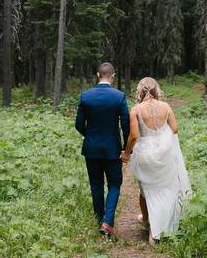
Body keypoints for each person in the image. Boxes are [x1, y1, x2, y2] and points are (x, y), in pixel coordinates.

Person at [121, 77, 192, 244]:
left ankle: (149, 223)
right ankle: (159, 226)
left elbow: (134, 136)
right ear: (156, 90)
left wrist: (126, 153)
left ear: (139, 90)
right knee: (166, 188)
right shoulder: (166, 106)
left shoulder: (136, 109)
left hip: (145, 154)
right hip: (164, 152)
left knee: (146, 189)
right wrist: (161, 136)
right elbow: (174, 129)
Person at [75, 62, 130, 237]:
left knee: (96, 184)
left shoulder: (86, 96)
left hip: (91, 149)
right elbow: (126, 124)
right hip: (112, 148)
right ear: (112, 77)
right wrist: (125, 148)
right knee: (114, 183)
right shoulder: (119, 96)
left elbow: (78, 125)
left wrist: (90, 136)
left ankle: (100, 220)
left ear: (98, 75)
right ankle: (108, 221)